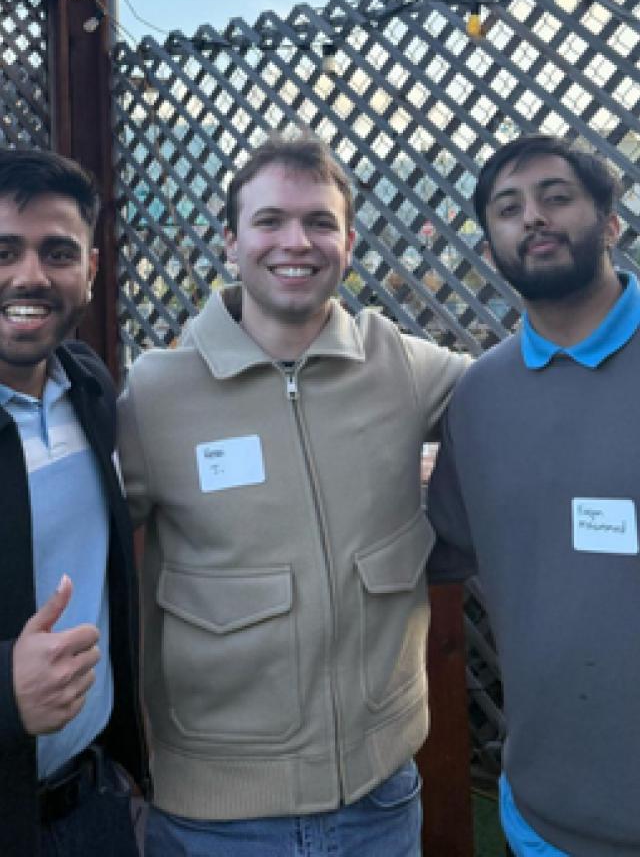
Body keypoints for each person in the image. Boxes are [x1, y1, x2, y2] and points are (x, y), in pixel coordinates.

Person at [117, 131, 469, 856]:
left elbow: (524, 393)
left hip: (380, 796)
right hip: (218, 818)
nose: (295, 242)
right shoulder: (154, 394)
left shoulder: (398, 363)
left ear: (347, 241)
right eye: (270, 221)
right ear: (230, 242)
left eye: (319, 222)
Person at [427, 134, 640, 857]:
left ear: (611, 223)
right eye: (508, 208)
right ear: (491, 248)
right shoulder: (480, 397)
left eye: (556, 197)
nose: (534, 219)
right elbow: (440, 548)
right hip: (544, 814)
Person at [0, 148, 148, 857]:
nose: (29, 276)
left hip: (93, 804)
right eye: (4, 251)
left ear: (90, 272)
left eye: (57, 252)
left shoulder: (88, 387)